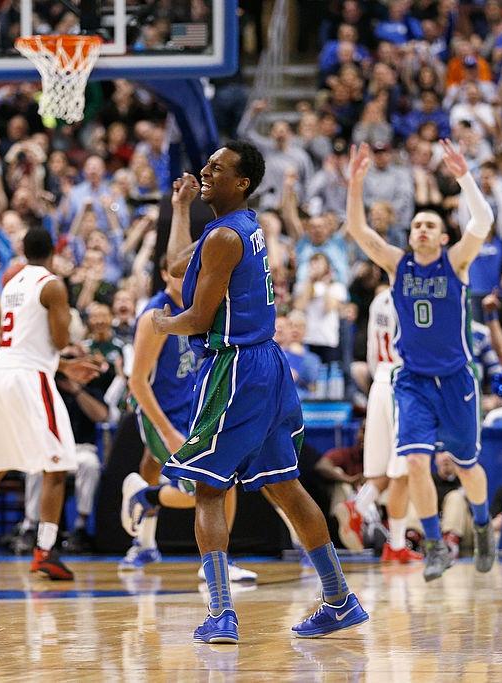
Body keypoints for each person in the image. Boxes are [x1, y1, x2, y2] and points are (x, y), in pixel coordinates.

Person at [154, 141, 369, 643]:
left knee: (208, 488)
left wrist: (158, 325)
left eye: (217, 168)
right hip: (267, 366)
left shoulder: (225, 237)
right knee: (285, 487)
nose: (205, 170)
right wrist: (181, 208)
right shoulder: (234, 228)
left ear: (243, 182)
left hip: (235, 367)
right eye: (206, 164)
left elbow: (198, 318)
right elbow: (174, 265)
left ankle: (222, 613)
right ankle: (339, 600)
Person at [344, 140, 497, 581]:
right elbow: (358, 230)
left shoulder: (456, 263)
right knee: (414, 463)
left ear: (444, 235)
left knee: (467, 467)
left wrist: (465, 176)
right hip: (410, 380)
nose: (423, 231)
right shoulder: (398, 266)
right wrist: (355, 185)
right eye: (417, 226)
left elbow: (483, 220)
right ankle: (432, 545)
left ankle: (483, 526)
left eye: (431, 225)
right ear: (410, 236)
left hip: (455, 380)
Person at [0, 229, 101, 580]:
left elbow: (27, 343)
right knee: (59, 463)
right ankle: (45, 550)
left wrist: (62, 367)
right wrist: (67, 339)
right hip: (29, 380)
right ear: (54, 253)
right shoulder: (53, 285)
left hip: (1, 374)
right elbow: (60, 340)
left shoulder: (13, 283)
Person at [119, 257, 254, 581]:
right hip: (161, 417)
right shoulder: (156, 315)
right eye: (177, 274)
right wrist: (166, 432)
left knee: (225, 479)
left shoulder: (200, 309)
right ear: (164, 274)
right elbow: (136, 382)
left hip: (194, 414)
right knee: (207, 488)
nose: (185, 280)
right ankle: (146, 499)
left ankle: (209, 557)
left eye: (190, 273)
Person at [332, 287, 421, 563]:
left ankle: (389, 538)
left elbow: (372, 353)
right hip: (404, 381)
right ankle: (364, 512)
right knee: (401, 469)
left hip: (381, 380)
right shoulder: (416, 298)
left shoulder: (379, 298)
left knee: (384, 467)